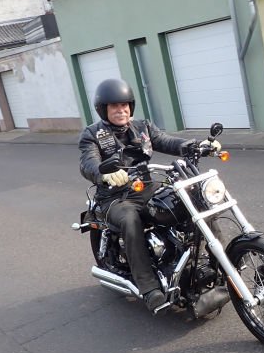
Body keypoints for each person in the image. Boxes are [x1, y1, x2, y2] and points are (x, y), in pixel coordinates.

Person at [79, 78, 221, 315]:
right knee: (130, 220)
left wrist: (197, 145)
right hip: (116, 196)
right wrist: (104, 174)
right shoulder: (93, 134)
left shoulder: (142, 126)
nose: (121, 110)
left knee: (193, 201)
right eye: (114, 106)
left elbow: (166, 141)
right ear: (103, 109)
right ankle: (149, 287)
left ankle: (218, 261)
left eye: (124, 105)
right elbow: (88, 162)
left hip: (146, 186)